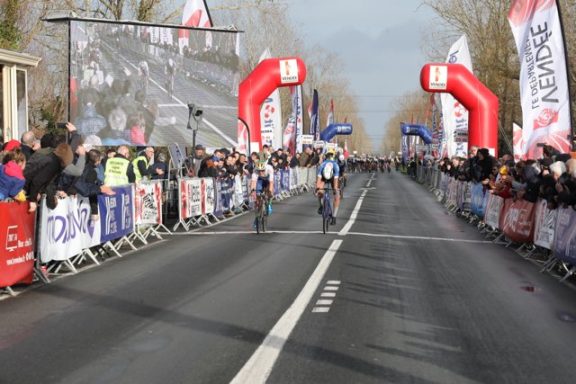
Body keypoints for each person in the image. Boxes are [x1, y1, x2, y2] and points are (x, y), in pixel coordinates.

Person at [316, 148, 341, 225]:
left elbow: (336, 182)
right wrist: (317, 189)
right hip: (323, 177)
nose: (330, 156)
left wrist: (335, 190)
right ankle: (320, 205)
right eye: (328, 155)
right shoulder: (322, 165)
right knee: (319, 190)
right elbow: (318, 181)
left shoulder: (336, 166)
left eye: (331, 155)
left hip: (333, 177)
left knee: (337, 196)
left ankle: (334, 217)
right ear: (326, 156)